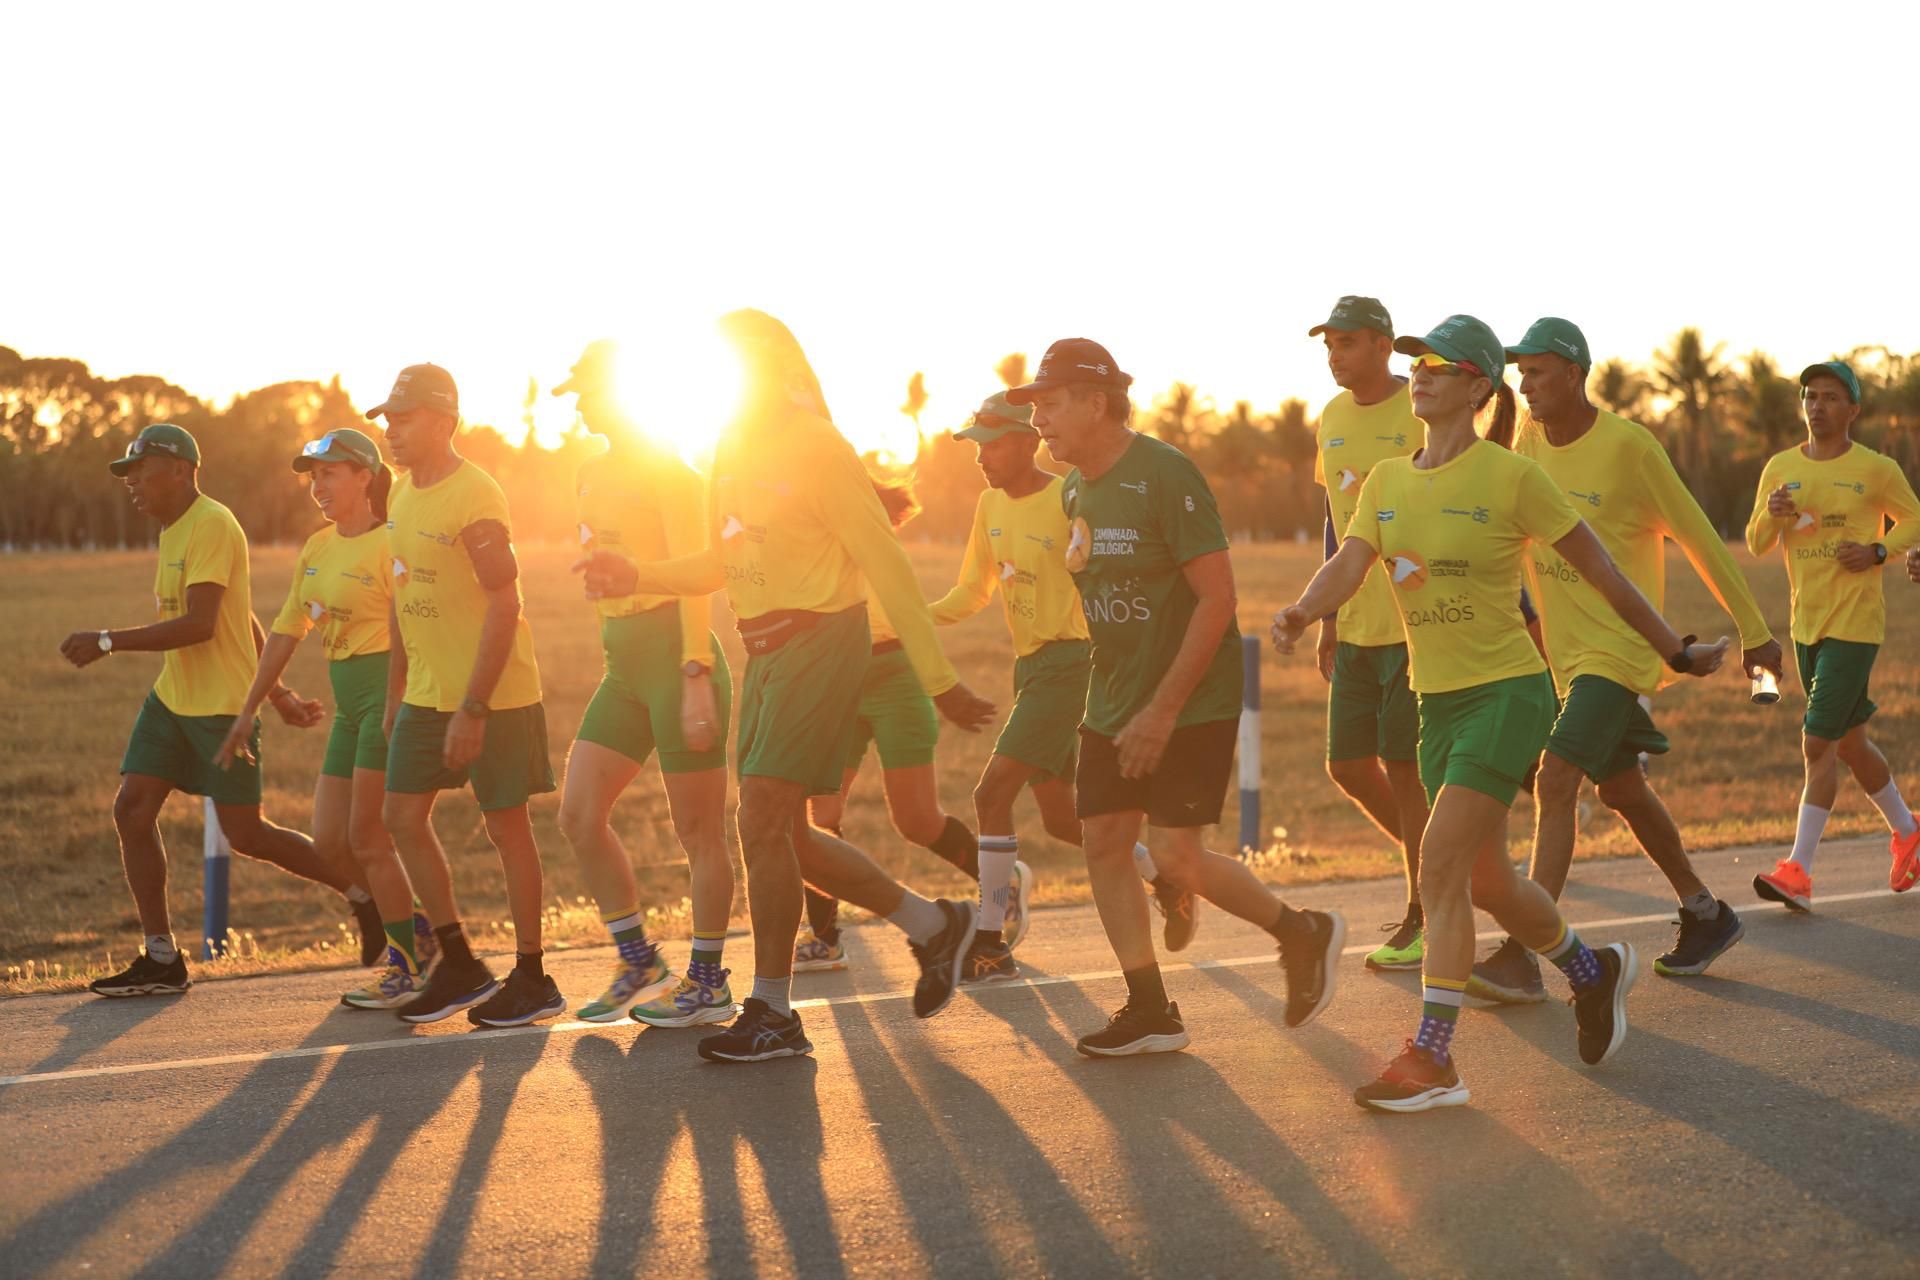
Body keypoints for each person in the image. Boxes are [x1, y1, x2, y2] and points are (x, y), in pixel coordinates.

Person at [1271, 315, 1727, 1113]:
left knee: (1439, 863)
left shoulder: (1512, 478)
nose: (1420, 374)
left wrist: (1674, 652)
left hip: (1510, 694)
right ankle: (1592, 971)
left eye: (1439, 365)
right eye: (1417, 363)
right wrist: (1304, 612)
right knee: (1488, 883)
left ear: (1478, 386)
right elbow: (1350, 562)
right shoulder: (1386, 481)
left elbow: (1606, 574)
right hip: (1434, 699)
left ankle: (1433, 1057)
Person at [575, 309, 995, 1063]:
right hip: (764, 649)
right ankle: (937, 927)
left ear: (778, 367)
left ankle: (772, 1008)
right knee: (784, 833)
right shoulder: (729, 447)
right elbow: (717, 561)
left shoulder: (818, 448)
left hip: (821, 640)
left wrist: (936, 678)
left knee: (762, 817)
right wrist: (635, 573)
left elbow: (887, 565)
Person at [1012, 338, 1344, 1058]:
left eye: (1050, 403)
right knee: (1101, 839)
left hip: (1193, 697)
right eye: (1032, 405)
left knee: (1177, 855)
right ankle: (1151, 1008)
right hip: (1113, 695)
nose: (1037, 418)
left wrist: (1161, 711)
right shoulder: (1074, 489)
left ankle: (1302, 933)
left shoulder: (1165, 474)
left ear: (1097, 402)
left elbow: (1218, 600)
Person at [1463, 318, 1781, 1000]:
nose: (1527, 385)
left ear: (1575, 374)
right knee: (1621, 789)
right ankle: (1707, 914)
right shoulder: (1527, 445)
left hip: (1623, 651)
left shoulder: (1630, 449)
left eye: (1539, 372)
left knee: (1555, 779)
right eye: (1521, 373)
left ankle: (1525, 952)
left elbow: (1698, 537)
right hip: (1566, 660)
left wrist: (1753, 630)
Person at [63, 423, 375, 997]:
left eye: (141, 469)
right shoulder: (173, 528)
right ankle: (161, 957)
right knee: (132, 809)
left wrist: (107, 640)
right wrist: (281, 694)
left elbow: (203, 624)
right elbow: (242, 617)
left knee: (247, 835)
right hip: (171, 701)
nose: (131, 481)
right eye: (126, 473)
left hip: (219, 710)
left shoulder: (212, 524)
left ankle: (364, 896)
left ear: (181, 470)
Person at [924, 390, 1193, 986]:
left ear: (1028, 440)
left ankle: (991, 940)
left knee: (990, 795)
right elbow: (973, 592)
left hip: (1077, 664)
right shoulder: (989, 505)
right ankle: (1165, 880)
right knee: (1065, 823)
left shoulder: (1069, 496)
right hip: (1033, 669)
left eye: (992, 445)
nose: (981, 458)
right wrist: (910, 617)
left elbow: (1115, 574)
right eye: (975, 447)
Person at [369, 363, 566, 1028]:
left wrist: (475, 708)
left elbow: (506, 604)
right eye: (388, 418)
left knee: (506, 829)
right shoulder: (398, 495)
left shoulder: (476, 496)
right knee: (399, 818)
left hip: (496, 695)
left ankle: (533, 975)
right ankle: (459, 963)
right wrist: (397, 690)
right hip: (426, 694)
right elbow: (402, 596)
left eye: (405, 418)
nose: (392, 430)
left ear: (443, 420)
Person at [213, 428, 438, 1009]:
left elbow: (413, 630)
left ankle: (406, 966)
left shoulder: (393, 542)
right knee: (333, 844)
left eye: (330, 474)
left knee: (368, 837)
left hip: (387, 699)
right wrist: (249, 710)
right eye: (313, 477)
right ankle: (415, 927)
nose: (318, 487)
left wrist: (397, 704)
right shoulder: (316, 548)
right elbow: (287, 629)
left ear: (365, 477)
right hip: (347, 708)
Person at [552, 341, 738, 1028]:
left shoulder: (673, 472)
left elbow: (698, 577)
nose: (581, 402)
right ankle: (639, 963)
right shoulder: (590, 472)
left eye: (590, 389)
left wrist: (694, 675)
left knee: (698, 830)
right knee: (577, 814)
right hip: (624, 667)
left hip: (677, 660)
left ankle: (708, 981)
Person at [795, 478, 1000, 979]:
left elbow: (912, 620)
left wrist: (945, 688)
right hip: (839, 687)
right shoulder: (814, 554)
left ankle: (1001, 886)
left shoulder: (883, 554)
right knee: (817, 814)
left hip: (895, 681)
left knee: (916, 821)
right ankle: (825, 939)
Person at [1745, 359, 1920, 905]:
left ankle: (1798, 870)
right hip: (1806, 626)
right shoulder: (1779, 467)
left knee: (1816, 741)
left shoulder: (1877, 469)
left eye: (1828, 397)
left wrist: (1877, 551)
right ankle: (1909, 832)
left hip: (1855, 624)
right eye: (1809, 396)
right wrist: (1773, 515)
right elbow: (1755, 542)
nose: (1816, 405)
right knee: (1850, 742)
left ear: (1853, 410)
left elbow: (1915, 519)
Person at [1307, 296, 1429, 971]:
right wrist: (1328, 614)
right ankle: (1443, 863)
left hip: (1415, 626)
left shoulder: (1423, 407)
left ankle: (1425, 904)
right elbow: (1335, 519)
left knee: (1406, 771)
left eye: (1348, 343)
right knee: (1348, 765)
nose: (1335, 356)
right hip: (1354, 623)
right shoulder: (1328, 417)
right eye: (1329, 344)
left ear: (1384, 345)